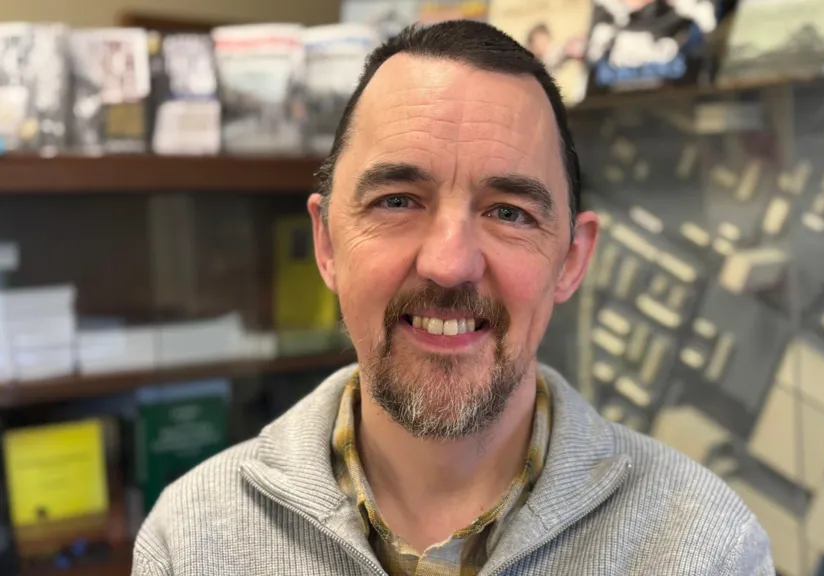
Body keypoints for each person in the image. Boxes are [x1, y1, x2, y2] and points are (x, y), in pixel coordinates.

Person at [132, 20, 774, 576]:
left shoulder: (705, 547)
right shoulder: (191, 541)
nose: (449, 264)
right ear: (326, 243)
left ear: (572, 260)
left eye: (510, 212)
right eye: (397, 201)